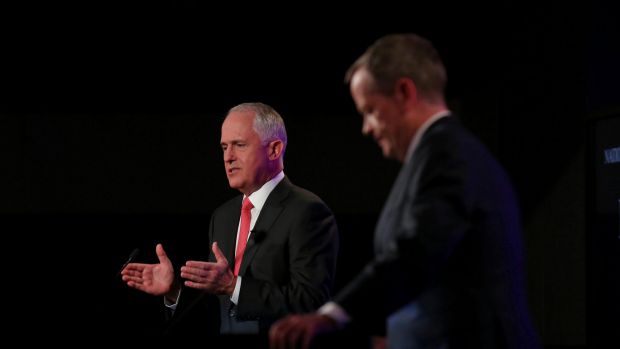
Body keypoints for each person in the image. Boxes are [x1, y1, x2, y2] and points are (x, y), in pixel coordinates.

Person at [269, 34, 541, 349]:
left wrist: (330, 316)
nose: (366, 127)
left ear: (403, 92)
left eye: (370, 110)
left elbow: (417, 250)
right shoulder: (436, 155)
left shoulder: (447, 155)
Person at [121, 102, 339, 338]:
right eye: (224, 147)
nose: (228, 157)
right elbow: (216, 308)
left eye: (239, 145)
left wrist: (233, 286)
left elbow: (311, 302)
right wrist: (174, 291)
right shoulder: (223, 217)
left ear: (274, 150)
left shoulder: (307, 211)